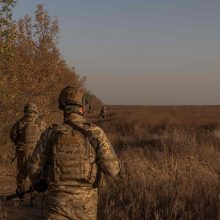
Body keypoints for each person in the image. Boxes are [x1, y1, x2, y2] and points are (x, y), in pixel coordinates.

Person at [29, 84, 120, 219]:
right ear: (83, 108)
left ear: (63, 108)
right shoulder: (96, 133)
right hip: (85, 206)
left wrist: (41, 184)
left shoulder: (50, 133)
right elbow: (112, 170)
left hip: (56, 203)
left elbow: (33, 167)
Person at [10, 103, 47, 206]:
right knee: (35, 175)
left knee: (22, 173)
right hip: (37, 153)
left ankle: (21, 194)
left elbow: (13, 135)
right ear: (35, 110)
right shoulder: (41, 122)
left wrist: (19, 143)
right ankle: (34, 198)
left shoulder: (20, 122)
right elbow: (46, 136)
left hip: (23, 152)